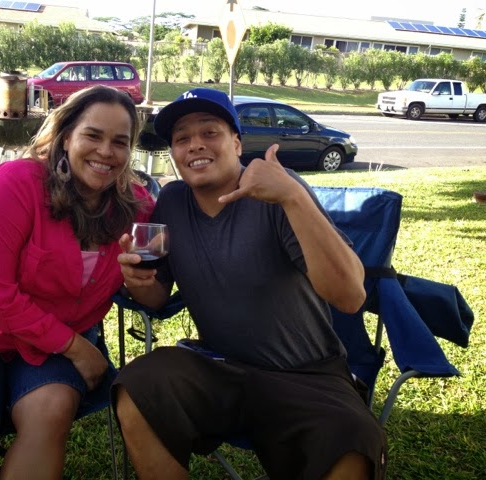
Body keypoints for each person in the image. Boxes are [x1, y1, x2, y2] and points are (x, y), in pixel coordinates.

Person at [114, 88, 387, 480]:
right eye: (182, 138)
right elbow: (157, 296)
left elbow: (349, 297)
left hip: (305, 374)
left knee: (355, 440)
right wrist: (138, 281)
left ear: (237, 143)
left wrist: (292, 197)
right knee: (136, 386)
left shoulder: (278, 192)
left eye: (210, 132)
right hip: (219, 368)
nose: (195, 145)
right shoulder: (172, 202)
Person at [0, 85, 154, 480]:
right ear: (66, 137)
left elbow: (157, 274)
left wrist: (142, 279)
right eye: (93, 135)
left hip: (60, 335)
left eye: (120, 142)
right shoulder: (13, 185)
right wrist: (77, 348)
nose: (106, 151)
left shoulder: (138, 208)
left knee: (51, 410)